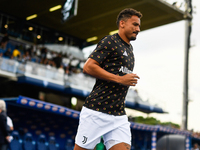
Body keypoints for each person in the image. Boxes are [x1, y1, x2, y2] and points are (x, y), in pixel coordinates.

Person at [74, 8, 142, 150]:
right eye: (135, 24)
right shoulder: (110, 41)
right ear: (122, 23)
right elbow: (88, 67)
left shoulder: (130, 50)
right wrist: (120, 79)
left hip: (118, 115)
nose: (138, 29)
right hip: (96, 111)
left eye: (139, 26)